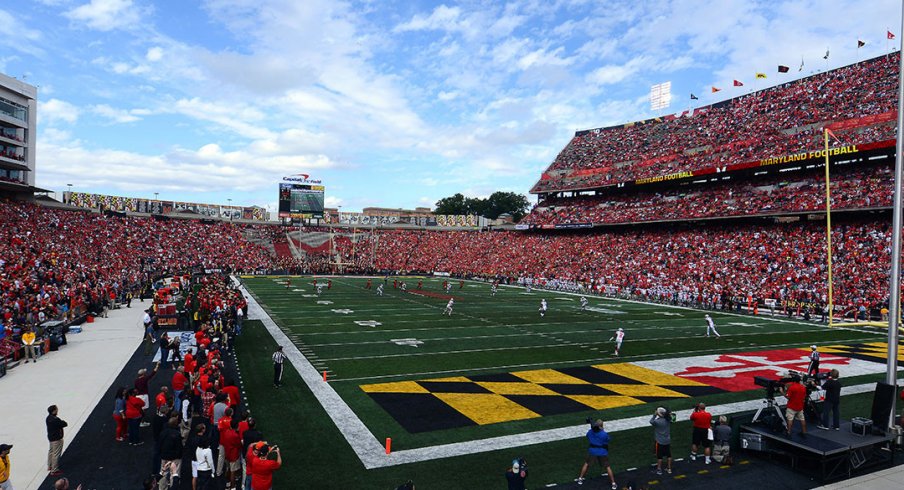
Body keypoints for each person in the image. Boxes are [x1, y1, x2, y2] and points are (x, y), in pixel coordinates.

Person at [576, 419, 616, 488]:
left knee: (586, 464)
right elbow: (608, 439)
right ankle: (613, 483)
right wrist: (602, 430)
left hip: (592, 451)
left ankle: (580, 479)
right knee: (607, 467)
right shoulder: (604, 434)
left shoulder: (590, 432)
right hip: (602, 452)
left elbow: (587, 436)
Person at [46, 405, 68, 476]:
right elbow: (64, 424)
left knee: (51, 451)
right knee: (56, 454)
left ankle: (50, 465)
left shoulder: (48, 418)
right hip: (57, 438)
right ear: (54, 411)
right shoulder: (55, 419)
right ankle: (54, 470)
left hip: (51, 438)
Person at [650, 408, 672, 475]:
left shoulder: (657, 421)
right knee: (669, 455)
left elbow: (651, 421)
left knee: (659, 457)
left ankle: (659, 470)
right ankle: (669, 469)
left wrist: (654, 415)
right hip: (667, 440)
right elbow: (673, 417)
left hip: (660, 441)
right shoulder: (668, 420)